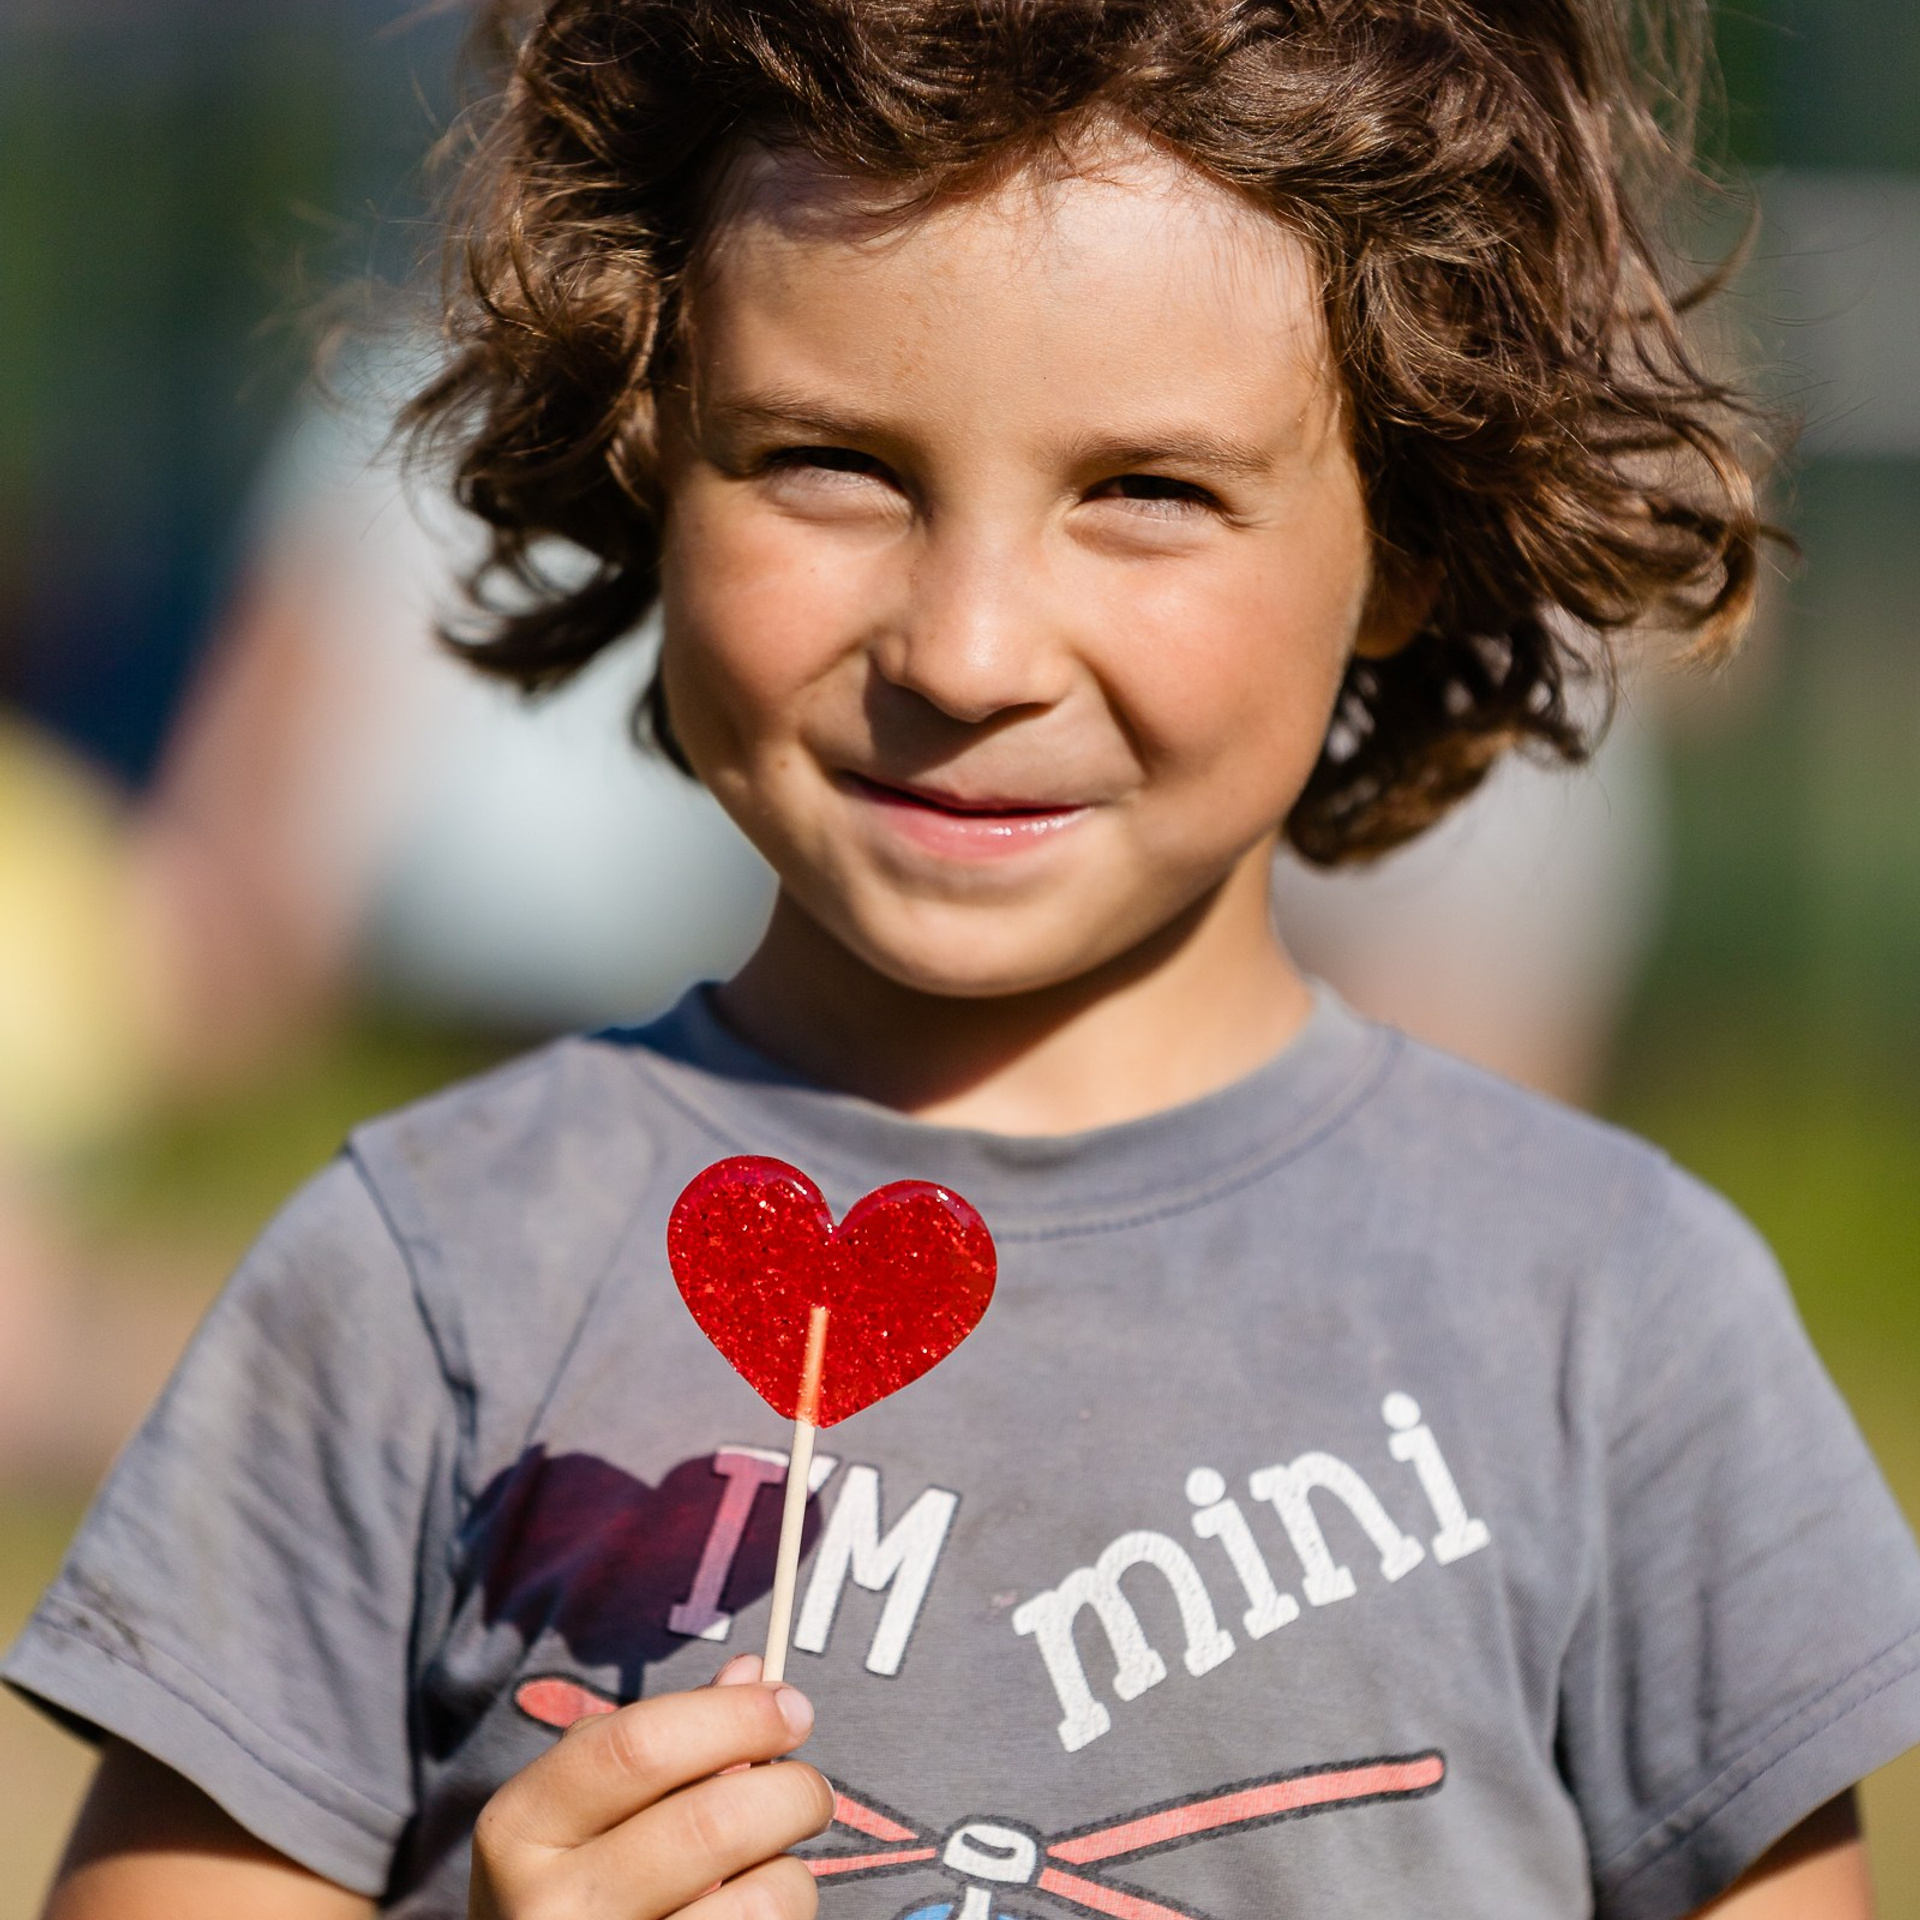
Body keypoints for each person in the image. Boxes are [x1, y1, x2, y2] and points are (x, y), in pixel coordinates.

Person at [10, 2, 1918, 1916]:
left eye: (1149, 493)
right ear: (653, 454)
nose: (969, 648)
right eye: (831, 463)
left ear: (1405, 535)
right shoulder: (412, 1293)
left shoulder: (1620, 1327)